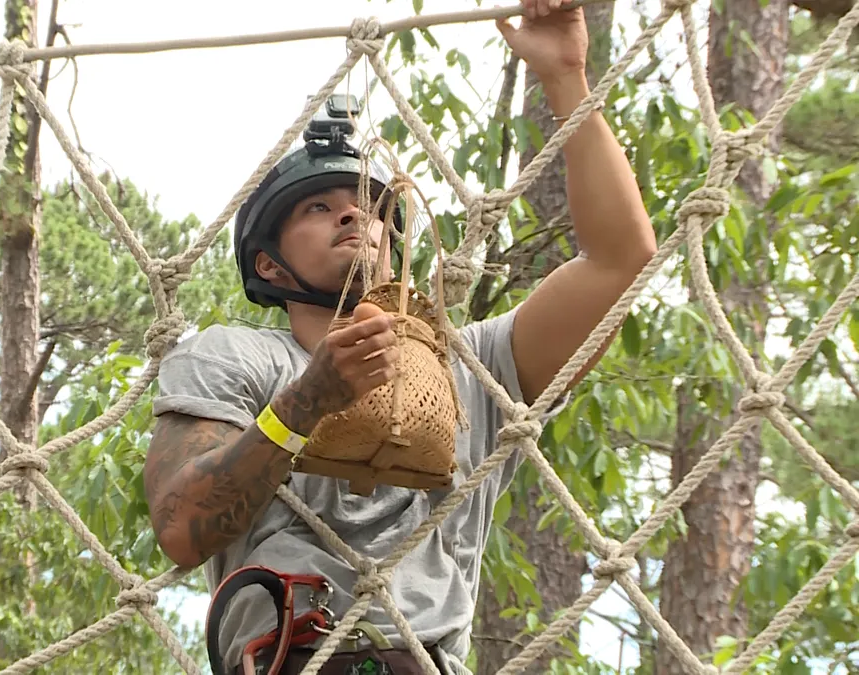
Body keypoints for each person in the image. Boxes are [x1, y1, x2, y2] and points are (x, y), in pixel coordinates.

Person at [143, 1, 657, 673]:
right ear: (269, 264)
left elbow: (619, 262)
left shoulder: (471, 365)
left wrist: (566, 76)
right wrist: (307, 401)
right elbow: (183, 529)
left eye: (372, 207)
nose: (355, 214)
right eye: (320, 207)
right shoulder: (234, 355)